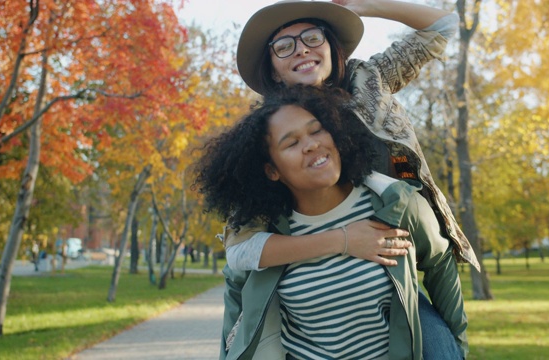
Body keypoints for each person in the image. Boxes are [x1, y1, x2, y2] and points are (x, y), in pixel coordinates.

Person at [193, 85, 467, 359]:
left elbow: (440, 264)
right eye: (291, 143)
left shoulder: (392, 204)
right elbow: (236, 308)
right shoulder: (271, 233)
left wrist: (456, 347)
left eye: (317, 130)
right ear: (272, 170)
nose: (311, 144)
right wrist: (344, 240)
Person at [226, 0, 480, 277]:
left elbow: (443, 26)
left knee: (442, 323)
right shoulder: (267, 133)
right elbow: (240, 250)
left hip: (394, 272)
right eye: (284, 47)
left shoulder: (369, 79)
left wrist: (363, 6)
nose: (301, 49)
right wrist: (344, 240)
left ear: (332, 49)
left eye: (313, 37)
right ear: (273, 69)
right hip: (310, 285)